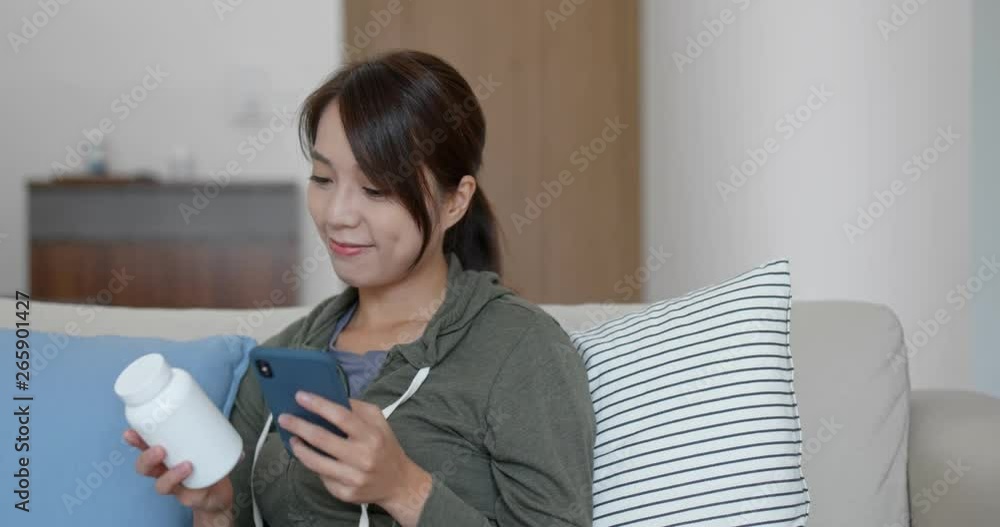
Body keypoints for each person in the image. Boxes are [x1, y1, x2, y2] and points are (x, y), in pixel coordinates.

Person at [124, 49, 595, 527]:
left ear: (455, 201)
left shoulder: (522, 348)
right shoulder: (281, 358)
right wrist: (214, 511)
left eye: (375, 189)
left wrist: (404, 489)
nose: (337, 215)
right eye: (323, 179)